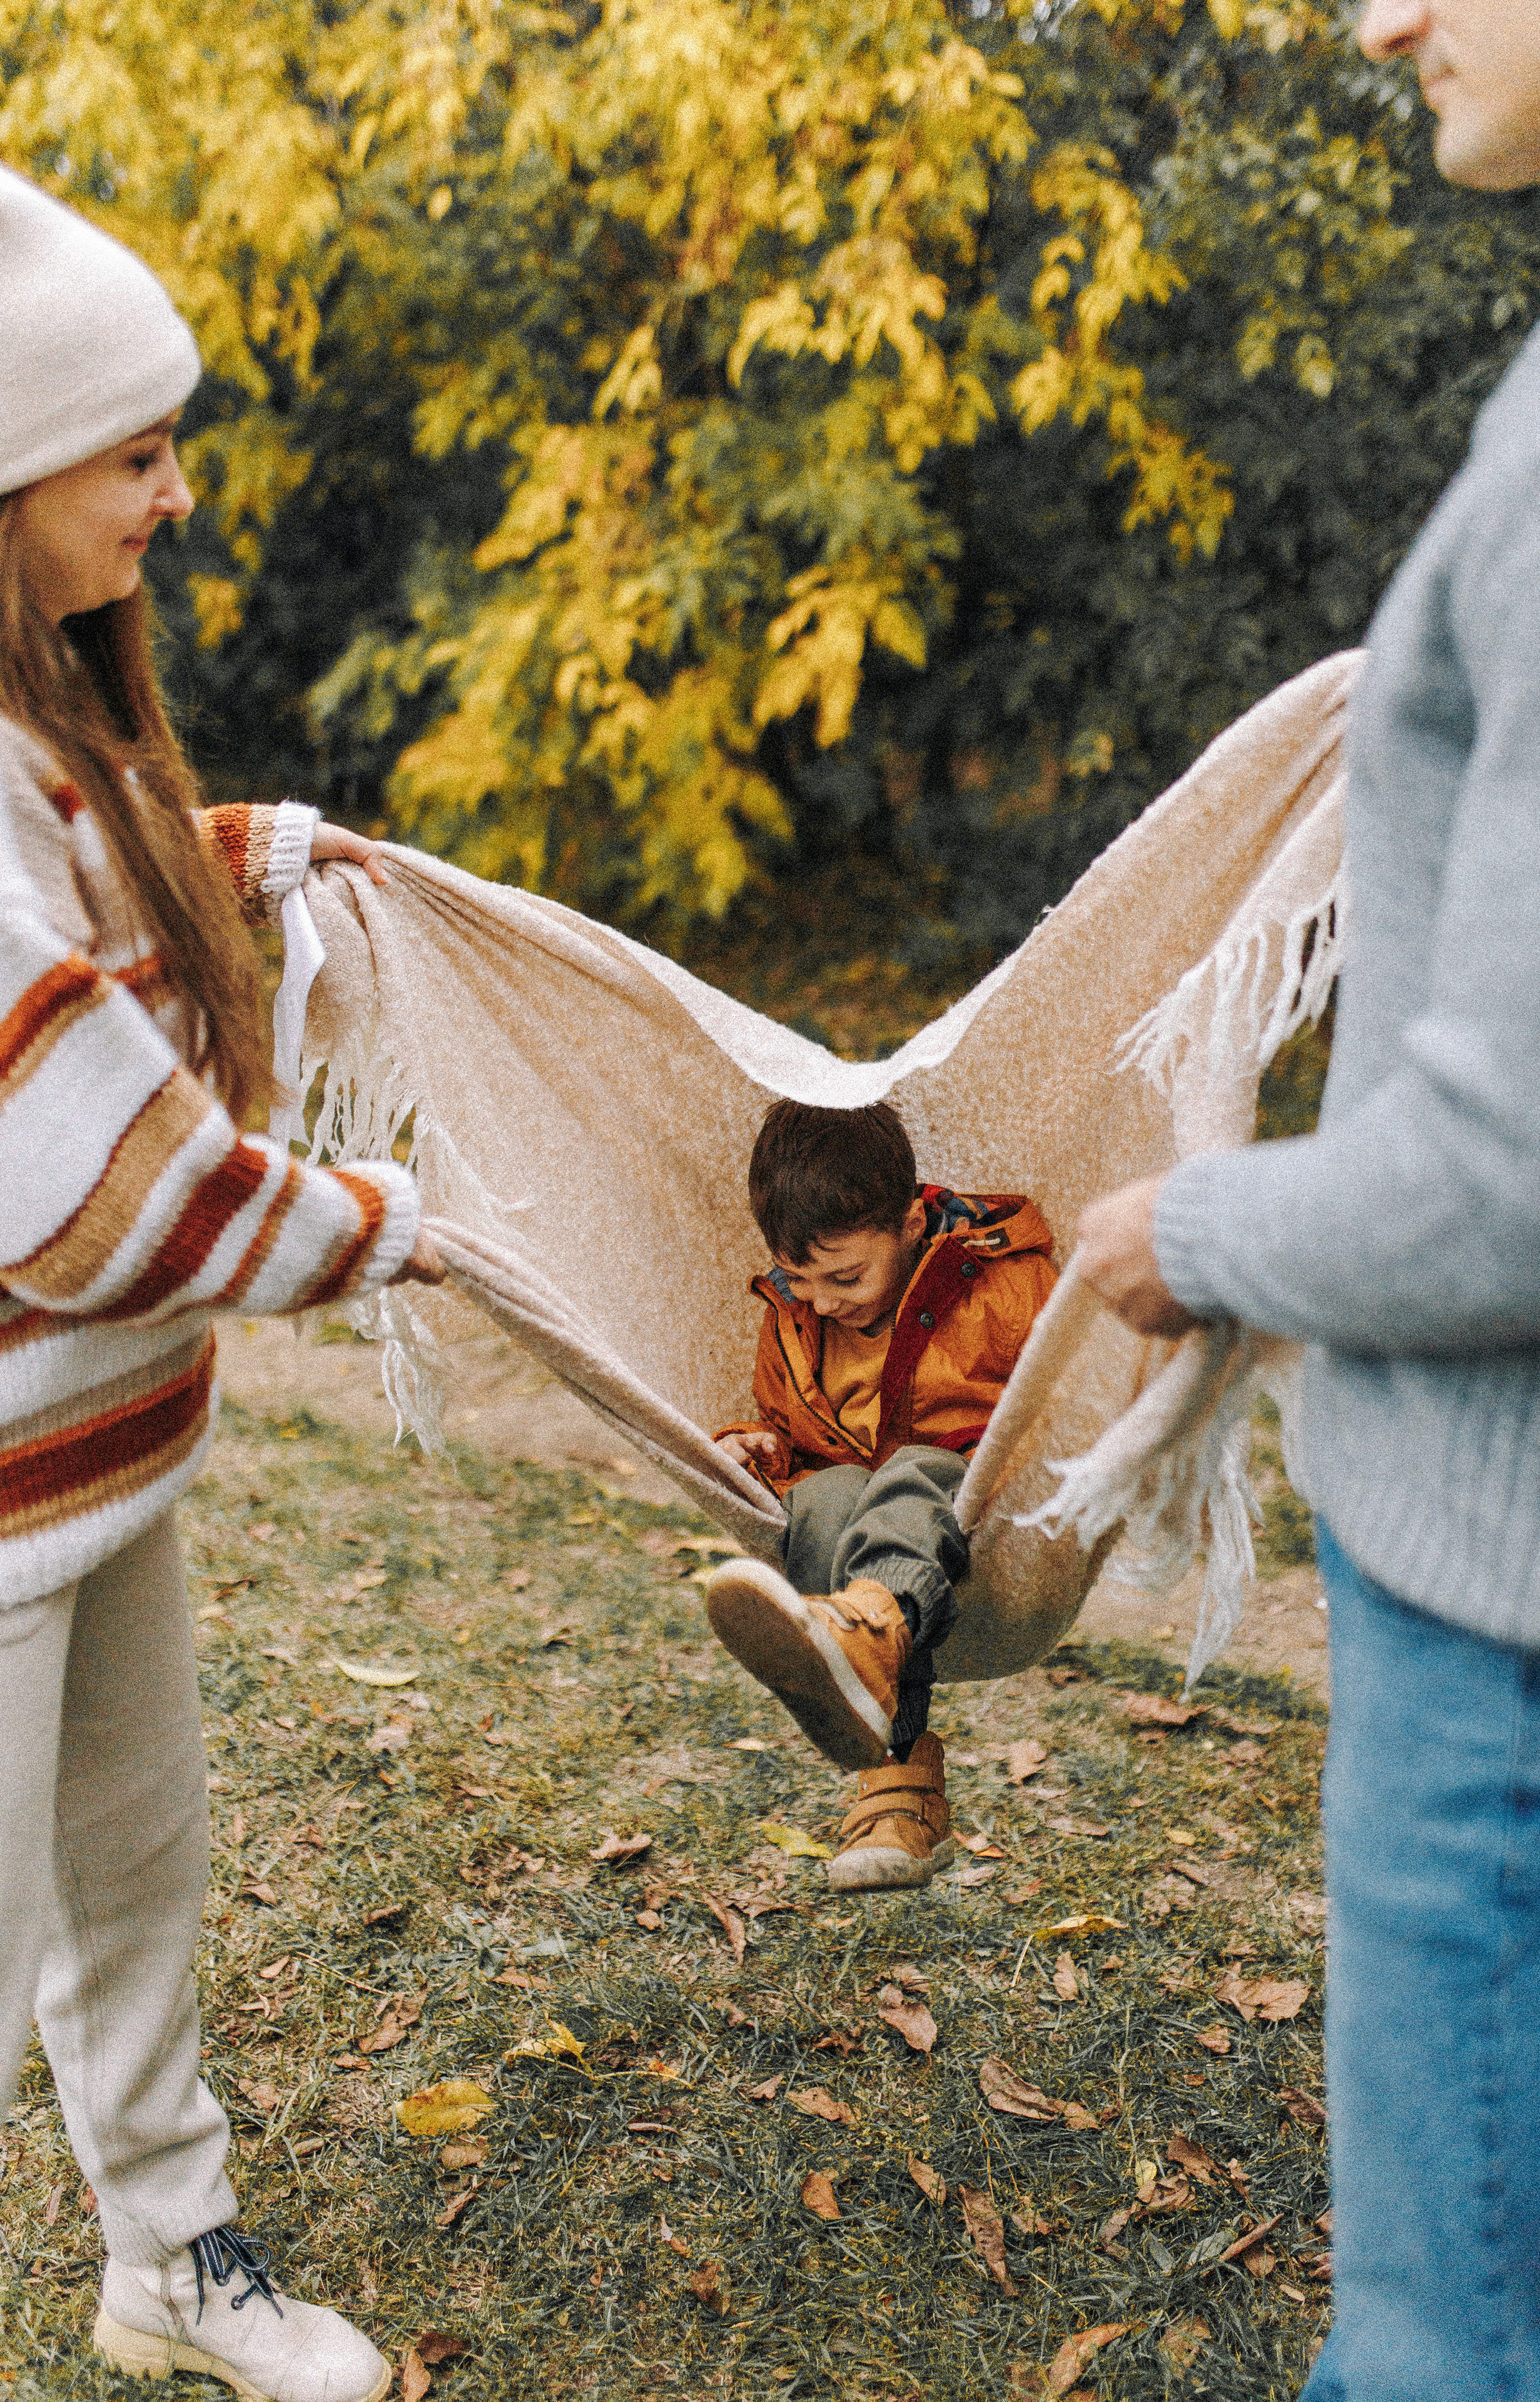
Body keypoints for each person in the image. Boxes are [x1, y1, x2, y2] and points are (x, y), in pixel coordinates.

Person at [0, 146, 443, 2402]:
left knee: (135, 1883)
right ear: (1, 474)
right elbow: (97, 1189)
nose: (173, 498)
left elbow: (86, 925)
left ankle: (167, 2258)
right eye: (134, 454)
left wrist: (243, 859)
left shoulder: (30, 728)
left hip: (86, 1469)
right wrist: (379, 1233)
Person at [1075, 5, 1540, 2394]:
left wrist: (1200, 1234)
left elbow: (1510, 1173)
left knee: (1439, 2328)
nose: (1381, 21)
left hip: (1492, 1600)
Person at [702, 1099, 1056, 1890]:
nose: (821, 1300)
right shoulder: (796, 1315)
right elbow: (790, 1427)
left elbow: (1065, 1397)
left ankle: (872, 1650)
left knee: (911, 1472)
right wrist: (756, 1445)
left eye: (845, 1276)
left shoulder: (999, 1279)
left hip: (973, 1514)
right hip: (858, 1536)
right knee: (825, 1497)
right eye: (799, 1277)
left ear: (907, 1222)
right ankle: (896, 1783)